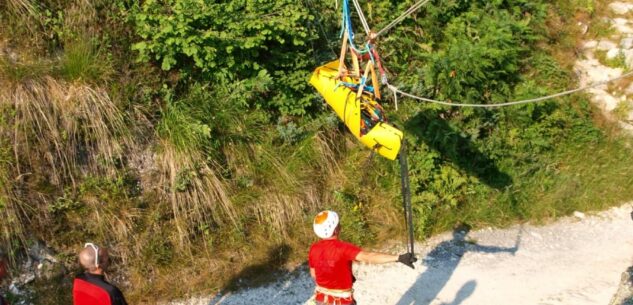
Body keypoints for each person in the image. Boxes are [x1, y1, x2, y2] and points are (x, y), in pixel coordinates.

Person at [309, 210, 416, 305]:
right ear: (336, 229)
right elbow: (369, 257)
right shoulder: (343, 248)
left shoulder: (313, 249)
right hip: (342, 302)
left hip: (321, 299)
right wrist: (399, 258)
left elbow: (314, 274)